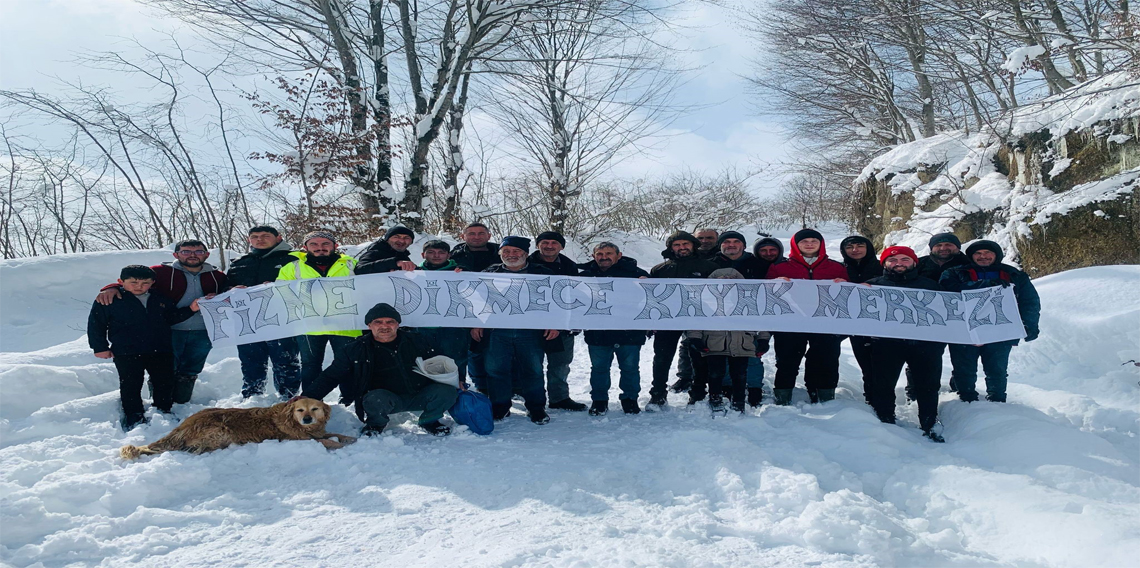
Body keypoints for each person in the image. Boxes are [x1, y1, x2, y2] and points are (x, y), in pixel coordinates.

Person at [94, 239, 227, 404]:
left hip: (203, 330)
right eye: (186, 251)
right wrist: (111, 287)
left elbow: (229, 292)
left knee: (191, 369)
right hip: (169, 329)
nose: (192, 255)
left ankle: (180, 403)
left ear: (206, 254)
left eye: (198, 251)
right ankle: (161, 404)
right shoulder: (161, 272)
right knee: (165, 371)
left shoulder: (217, 276)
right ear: (176, 254)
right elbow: (135, 279)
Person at [303, 303, 456, 437]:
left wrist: (458, 379)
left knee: (447, 392)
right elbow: (331, 376)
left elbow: (444, 362)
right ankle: (375, 424)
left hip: (420, 395)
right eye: (378, 322)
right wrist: (307, 396)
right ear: (369, 325)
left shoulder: (418, 341)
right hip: (385, 400)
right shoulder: (355, 349)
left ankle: (429, 420)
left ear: (398, 324)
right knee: (374, 399)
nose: (385, 326)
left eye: (390, 322)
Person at [88, 265, 202, 430]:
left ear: (152, 283)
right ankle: (133, 416)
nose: (139, 286)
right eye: (133, 282)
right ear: (121, 282)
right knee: (131, 384)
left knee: (163, 382)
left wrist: (191, 310)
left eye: (145, 283)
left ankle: (163, 411)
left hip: (160, 349)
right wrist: (100, 347)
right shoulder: (110, 300)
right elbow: (96, 324)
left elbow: (171, 318)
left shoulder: (160, 298)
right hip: (127, 350)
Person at [471, 236, 559, 424]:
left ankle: (536, 408)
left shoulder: (542, 273)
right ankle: (500, 407)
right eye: (507, 252)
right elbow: (476, 301)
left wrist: (555, 323)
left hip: (531, 331)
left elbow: (555, 301)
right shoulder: (488, 273)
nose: (511, 255)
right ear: (500, 254)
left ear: (525, 254)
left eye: (516, 251)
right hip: (497, 331)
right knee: (496, 370)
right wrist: (476, 323)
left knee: (533, 370)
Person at [940, 240, 1041, 403]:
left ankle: (998, 401)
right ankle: (965, 401)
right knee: (964, 369)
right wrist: (983, 285)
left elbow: (1029, 301)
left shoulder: (1013, 274)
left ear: (996, 255)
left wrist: (1029, 324)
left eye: (988, 253)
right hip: (964, 330)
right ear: (971, 256)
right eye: (978, 254)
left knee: (997, 369)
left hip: (1000, 330)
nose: (983, 257)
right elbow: (947, 293)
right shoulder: (954, 273)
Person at [864, 246, 947, 443]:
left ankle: (929, 423)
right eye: (892, 260)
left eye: (904, 259)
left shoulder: (931, 286)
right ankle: (885, 421)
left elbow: (947, 314)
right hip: (886, 345)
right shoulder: (870, 286)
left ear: (914, 263)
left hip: (925, 345)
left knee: (928, 386)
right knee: (883, 385)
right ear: (884, 263)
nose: (898, 263)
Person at [767, 229, 848, 404]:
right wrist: (774, 284)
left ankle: (824, 395)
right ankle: (783, 395)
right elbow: (767, 295)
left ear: (821, 244)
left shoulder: (836, 267)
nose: (809, 244)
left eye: (814, 241)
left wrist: (845, 286)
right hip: (790, 324)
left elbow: (848, 298)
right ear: (796, 245)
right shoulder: (780, 267)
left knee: (826, 360)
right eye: (804, 241)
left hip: (826, 323)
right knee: (787, 360)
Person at [278, 230, 362, 392]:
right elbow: (280, 293)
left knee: (348, 363)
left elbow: (372, 284)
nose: (320, 248)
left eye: (325, 244)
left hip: (346, 324)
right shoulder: (292, 268)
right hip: (309, 324)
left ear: (335, 246)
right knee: (310, 365)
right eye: (314, 244)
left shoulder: (352, 264)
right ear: (305, 247)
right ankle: (310, 400)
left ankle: (349, 399)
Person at [225, 226, 302, 398]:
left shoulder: (294, 260)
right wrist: (231, 289)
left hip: (283, 319)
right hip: (248, 321)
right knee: (251, 362)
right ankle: (253, 399)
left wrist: (280, 286)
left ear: (278, 238)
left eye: (266, 236)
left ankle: (288, 399)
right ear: (249, 240)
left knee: (285, 362)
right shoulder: (239, 262)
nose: (260, 239)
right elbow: (225, 287)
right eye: (255, 236)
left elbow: (308, 285)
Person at [648, 231, 719, 410]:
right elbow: (650, 297)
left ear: (693, 245)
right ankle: (658, 393)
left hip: (699, 319)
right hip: (667, 320)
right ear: (671, 248)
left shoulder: (709, 267)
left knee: (699, 357)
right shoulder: (660, 270)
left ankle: (698, 393)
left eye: (685, 244)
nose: (682, 248)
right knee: (662, 358)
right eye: (677, 245)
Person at [686, 268, 771, 414]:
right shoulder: (705, 301)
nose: (727, 281)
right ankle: (715, 399)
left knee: (740, 374)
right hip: (714, 342)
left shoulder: (750, 300)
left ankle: (738, 402)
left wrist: (763, 339)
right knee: (715, 373)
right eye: (721, 279)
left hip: (742, 343)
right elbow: (696, 320)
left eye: (731, 278)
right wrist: (695, 337)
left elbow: (762, 321)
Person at [578, 242, 649, 416]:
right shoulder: (585, 275)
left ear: (619, 255)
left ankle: (630, 399)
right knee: (599, 368)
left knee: (630, 368)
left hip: (629, 331)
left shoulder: (636, 273)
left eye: (609, 253)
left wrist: (649, 283)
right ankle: (599, 400)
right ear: (594, 256)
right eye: (600, 254)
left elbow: (651, 297)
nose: (604, 257)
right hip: (598, 332)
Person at [526, 230, 587, 411]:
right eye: (545, 242)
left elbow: (574, 296)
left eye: (554, 243)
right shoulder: (523, 262)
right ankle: (532, 400)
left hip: (561, 325)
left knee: (560, 364)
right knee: (530, 366)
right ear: (537, 245)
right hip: (530, 324)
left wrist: (569, 323)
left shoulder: (570, 267)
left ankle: (559, 398)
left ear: (561, 246)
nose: (549, 246)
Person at [413, 240, 470, 386]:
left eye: (441, 252)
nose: (436, 256)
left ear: (449, 255)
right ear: (423, 254)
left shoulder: (460, 272)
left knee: (455, 360)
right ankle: (431, 395)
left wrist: (466, 272)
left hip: (453, 327)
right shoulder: (413, 274)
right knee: (427, 362)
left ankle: (459, 389)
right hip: (423, 327)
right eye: (431, 252)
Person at [450, 222, 499, 391]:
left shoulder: (502, 253)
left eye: (480, 233)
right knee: (474, 351)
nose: (476, 237)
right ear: (463, 236)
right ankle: (481, 386)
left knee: (499, 351)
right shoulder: (453, 256)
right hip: (466, 310)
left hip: (499, 309)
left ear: (489, 236)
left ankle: (510, 386)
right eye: (471, 234)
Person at [839, 235, 883, 403]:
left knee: (879, 365)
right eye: (850, 247)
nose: (855, 250)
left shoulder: (881, 267)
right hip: (852, 324)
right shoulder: (840, 268)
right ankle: (870, 398)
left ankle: (881, 400)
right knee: (865, 364)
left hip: (879, 324)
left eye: (859, 246)